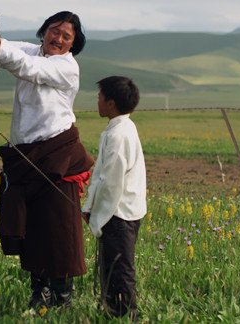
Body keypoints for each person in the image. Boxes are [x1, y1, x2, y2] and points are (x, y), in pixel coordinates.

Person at [0, 11, 94, 309]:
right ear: (44, 31)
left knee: (59, 227)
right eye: (54, 30)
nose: (58, 38)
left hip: (57, 152)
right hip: (26, 154)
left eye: (66, 36)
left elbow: (24, 66)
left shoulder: (67, 67)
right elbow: (6, 51)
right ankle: (39, 292)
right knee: (30, 224)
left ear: (73, 44)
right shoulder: (34, 50)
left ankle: (62, 295)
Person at [81, 76, 147, 319]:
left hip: (117, 214)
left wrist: (96, 216)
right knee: (113, 265)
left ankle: (126, 314)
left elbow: (110, 182)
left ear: (110, 103)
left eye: (99, 97)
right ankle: (113, 310)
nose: (96, 101)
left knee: (120, 268)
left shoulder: (118, 136)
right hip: (122, 211)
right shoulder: (122, 128)